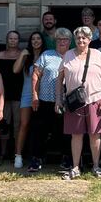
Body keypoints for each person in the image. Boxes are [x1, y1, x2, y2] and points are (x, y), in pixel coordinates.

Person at [56, 26, 101, 179]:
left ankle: (96, 166)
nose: (81, 40)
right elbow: (59, 79)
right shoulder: (68, 55)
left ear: (89, 39)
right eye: (78, 38)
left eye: (84, 38)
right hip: (74, 102)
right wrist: (58, 100)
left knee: (95, 135)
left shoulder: (97, 54)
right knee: (76, 135)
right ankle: (75, 167)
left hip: (95, 100)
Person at [29, 28, 72, 172]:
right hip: (45, 100)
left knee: (64, 132)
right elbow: (36, 75)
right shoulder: (46, 55)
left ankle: (66, 158)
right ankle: (37, 159)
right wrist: (34, 95)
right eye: (59, 39)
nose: (62, 42)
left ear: (69, 42)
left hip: (66, 101)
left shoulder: (73, 56)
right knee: (40, 131)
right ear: (55, 41)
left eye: (65, 39)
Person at [12, 31, 44, 169]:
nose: (36, 41)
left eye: (38, 39)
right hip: (27, 94)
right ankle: (18, 156)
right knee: (23, 124)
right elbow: (15, 70)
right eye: (33, 39)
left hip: (43, 94)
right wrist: (22, 55)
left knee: (40, 126)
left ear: (42, 41)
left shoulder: (46, 55)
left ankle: (38, 156)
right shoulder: (27, 56)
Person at [0, 31, 23, 159]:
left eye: (15, 38)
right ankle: (3, 152)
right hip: (3, 94)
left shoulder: (22, 55)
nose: (13, 41)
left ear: (18, 40)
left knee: (17, 124)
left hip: (19, 93)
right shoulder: (0, 55)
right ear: (7, 40)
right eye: (10, 38)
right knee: (4, 123)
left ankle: (16, 151)